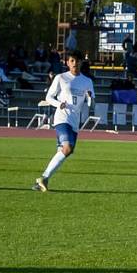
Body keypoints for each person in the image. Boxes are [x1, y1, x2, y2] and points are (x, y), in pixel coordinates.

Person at [31, 49, 95, 192]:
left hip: (74, 121)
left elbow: (91, 104)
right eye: (72, 61)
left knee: (65, 151)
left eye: (77, 61)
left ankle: (43, 181)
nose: (75, 64)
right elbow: (49, 97)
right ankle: (43, 178)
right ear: (67, 62)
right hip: (62, 118)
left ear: (81, 63)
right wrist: (58, 104)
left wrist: (90, 98)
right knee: (67, 148)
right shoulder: (61, 77)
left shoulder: (87, 81)